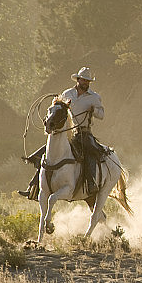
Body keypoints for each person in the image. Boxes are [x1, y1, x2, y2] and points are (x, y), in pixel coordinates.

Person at [18, 67, 106, 199]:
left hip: (84, 132)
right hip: (66, 131)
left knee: (90, 152)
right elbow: (57, 108)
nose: (86, 83)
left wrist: (94, 110)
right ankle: (33, 186)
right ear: (78, 79)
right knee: (49, 153)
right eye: (84, 80)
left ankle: (91, 182)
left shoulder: (94, 97)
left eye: (88, 81)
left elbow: (101, 115)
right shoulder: (67, 93)